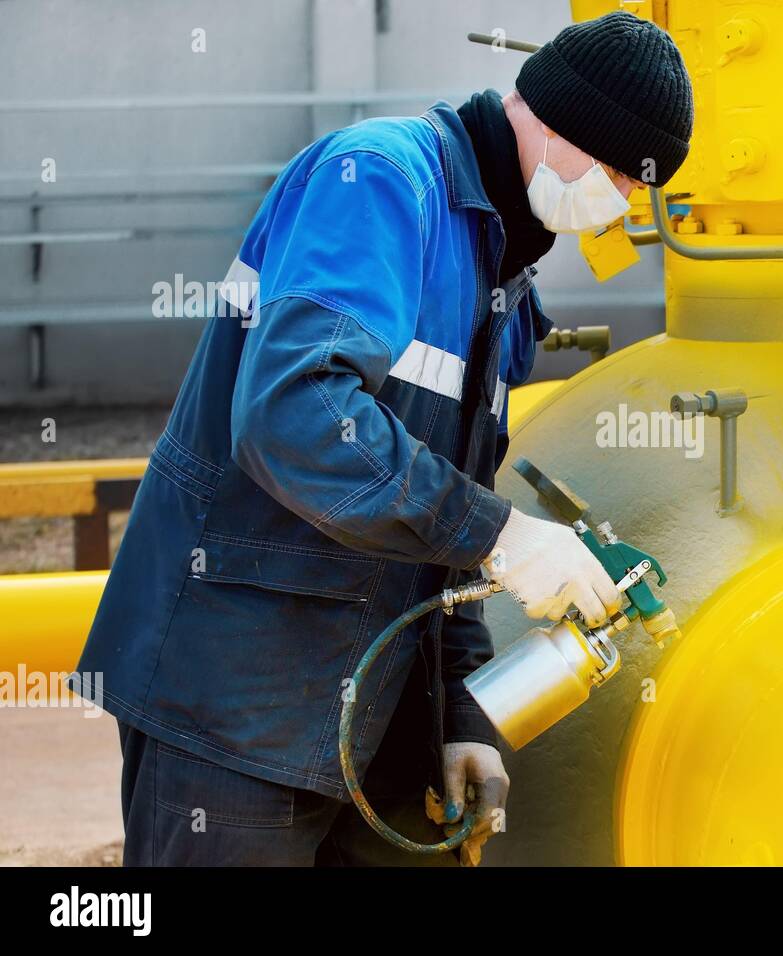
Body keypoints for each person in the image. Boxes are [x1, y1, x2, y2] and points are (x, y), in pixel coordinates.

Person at [74, 10, 693, 866]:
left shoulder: (502, 277)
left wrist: (460, 717)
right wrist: (502, 533)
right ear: (552, 121)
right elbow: (295, 414)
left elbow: (441, 538)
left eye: (637, 187)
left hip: (365, 717)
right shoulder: (379, 182)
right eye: (619, 172)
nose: (621, 203)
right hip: (233, 705)